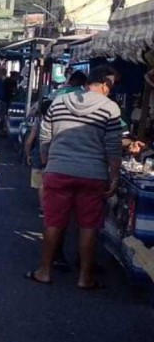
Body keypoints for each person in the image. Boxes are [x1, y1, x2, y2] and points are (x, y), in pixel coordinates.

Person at [27, 66, 122, 288]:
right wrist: (115, 176)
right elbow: (113, 146)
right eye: (112, 85)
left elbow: (45, 133)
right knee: (89, 225)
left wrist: (47, 158)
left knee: (53, 222)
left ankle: (45, 271)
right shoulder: (110, 108)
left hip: (58, 170)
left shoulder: (60, 102)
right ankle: (85, 277)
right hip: (93, 174)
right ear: (105, 83)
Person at [23, 99, 73, 272]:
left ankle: (43, 206)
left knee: (40, 185)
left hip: (40, 159)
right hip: (56, 162)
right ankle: (46, 206)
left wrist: (27, 155)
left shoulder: (40, 123)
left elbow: (29, 141)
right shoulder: (62, 124)